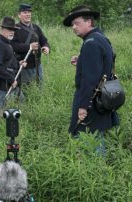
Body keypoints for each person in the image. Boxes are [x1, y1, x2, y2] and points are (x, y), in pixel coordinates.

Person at [63, 6, 119, 153]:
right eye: (72, 24)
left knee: (88, 139)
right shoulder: (100, 37)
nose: (73, 27)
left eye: (77, 23)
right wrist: (82, 60)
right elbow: (103, 64)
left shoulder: (91, 43)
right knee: (95, 137)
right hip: (102, 95)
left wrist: (83, 106)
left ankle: (96, 171)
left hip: (92, 100)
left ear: (89, 22)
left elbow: (90, 79)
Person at [0, 16, 26, 115]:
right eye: (9, 29)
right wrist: (11, 78)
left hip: (9, 82)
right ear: (2, 29)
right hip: (3, 83)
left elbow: (7, 61)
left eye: (13, 29)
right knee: (0, 112)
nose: (12, 31)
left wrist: (18, 63)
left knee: (21, 101)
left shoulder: (6, 42)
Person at [11, 3, 50, 85]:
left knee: (40, 89)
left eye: (29, 12)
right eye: (25, 12)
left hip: (37, 65)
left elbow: (44, 41)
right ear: (19, 15)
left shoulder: (36, 27)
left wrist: (46, 47)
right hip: (24, 66)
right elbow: (12, 46)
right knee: (26, 91)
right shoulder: (15, 29)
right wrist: (29, 46)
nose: (27, 14)